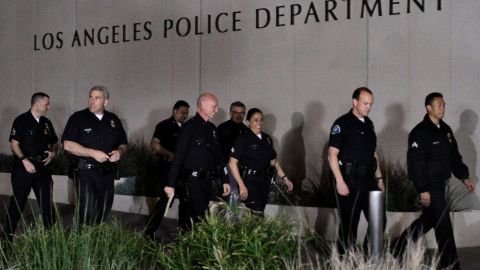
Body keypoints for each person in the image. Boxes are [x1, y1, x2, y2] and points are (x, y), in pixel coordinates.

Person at [391, 92, 475, 270]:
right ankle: (451, 265)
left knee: (429, 220)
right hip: (429, 186)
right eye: (439, 105)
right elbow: (415, 163)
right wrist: (423, 189)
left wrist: (464, 176)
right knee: (444, 225)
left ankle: (397, 246)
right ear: (429, 107)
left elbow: (455, 158)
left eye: (444, 104)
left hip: (441, 185)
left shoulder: (446, 131)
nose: (442, 108)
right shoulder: (419, 132)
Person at [327, 87, 385, 255]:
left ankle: (370, 256)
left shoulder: (369, 124)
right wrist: (340, 182)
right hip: (349, 180)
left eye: (371, 104)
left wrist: (379, 178)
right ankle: (344, 261)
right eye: (365, 103)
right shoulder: (342, 123)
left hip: (369, 180)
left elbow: (373, 154)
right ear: (355, 102)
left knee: (379, 220)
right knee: (349, 225)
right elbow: (332, 155)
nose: (369, 107)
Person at [62, 85, 128, 227]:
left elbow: (123, 144)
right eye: (90, 97)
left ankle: (95, 242)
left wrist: (119, 152)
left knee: (104, 210)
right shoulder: (78, 118)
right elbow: (67, 144)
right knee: (86, 212)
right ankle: (81, 243)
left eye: (97, 98)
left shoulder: (113, 119)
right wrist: (92, 153)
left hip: (107, 174)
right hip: (86, 173)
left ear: (105, 101)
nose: (92, 101)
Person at [164, 92, 230, 230]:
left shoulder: (212, 129)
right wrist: (170, 184)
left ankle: (194, 248)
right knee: (190, 220)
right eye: (214, 106)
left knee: (200, 219)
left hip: (206, 182)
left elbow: (219, 157)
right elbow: (179, 157)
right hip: (191, 182)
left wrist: (225, 179)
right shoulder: (189, 127)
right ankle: (185, 248)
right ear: (203, 104)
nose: (216, 110)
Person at [3, 92, 58, 241]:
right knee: (18, 202)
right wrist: (24, 160)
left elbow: (54, 141)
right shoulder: (21, 120)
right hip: (23, 168)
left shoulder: (47, 122)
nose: (48, 106)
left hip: (42, 168)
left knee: (47, 202)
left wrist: (53, 153)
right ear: (37, 104)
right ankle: (6, 238)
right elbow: (14, 144)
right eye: (47, 103)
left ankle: (51, 236)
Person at [228, 108, 293, 215]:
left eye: (261, 120)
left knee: (260, 210)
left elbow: (273, 161)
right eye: (255, 120)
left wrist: (285, 178)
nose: (259, 123)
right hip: (249, 181)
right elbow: (232, 163)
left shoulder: (267, 138)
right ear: (248, 121)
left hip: (263, 180)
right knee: (256, 212)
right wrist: (241, 185)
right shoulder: (243, 138)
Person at [144, 100, 189, 239]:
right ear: (174, 111)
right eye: (182, 112)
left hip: (183, 170)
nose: (184, 115)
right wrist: (170, 155)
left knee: (185, 199)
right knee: (165, 200)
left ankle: (184, 231)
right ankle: (150, 230)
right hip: (168, 168)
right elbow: (154, 144)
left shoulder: (187, 128)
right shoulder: (164, 126)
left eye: (186, 113)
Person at [217, 101, 248, 206]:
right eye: (235, 112)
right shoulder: (222, 129)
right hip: (227, 168)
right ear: (230, 113)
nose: (239, 115)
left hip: (243, 169)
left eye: (242, 112)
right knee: (232, 194)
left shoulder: (247, 131)